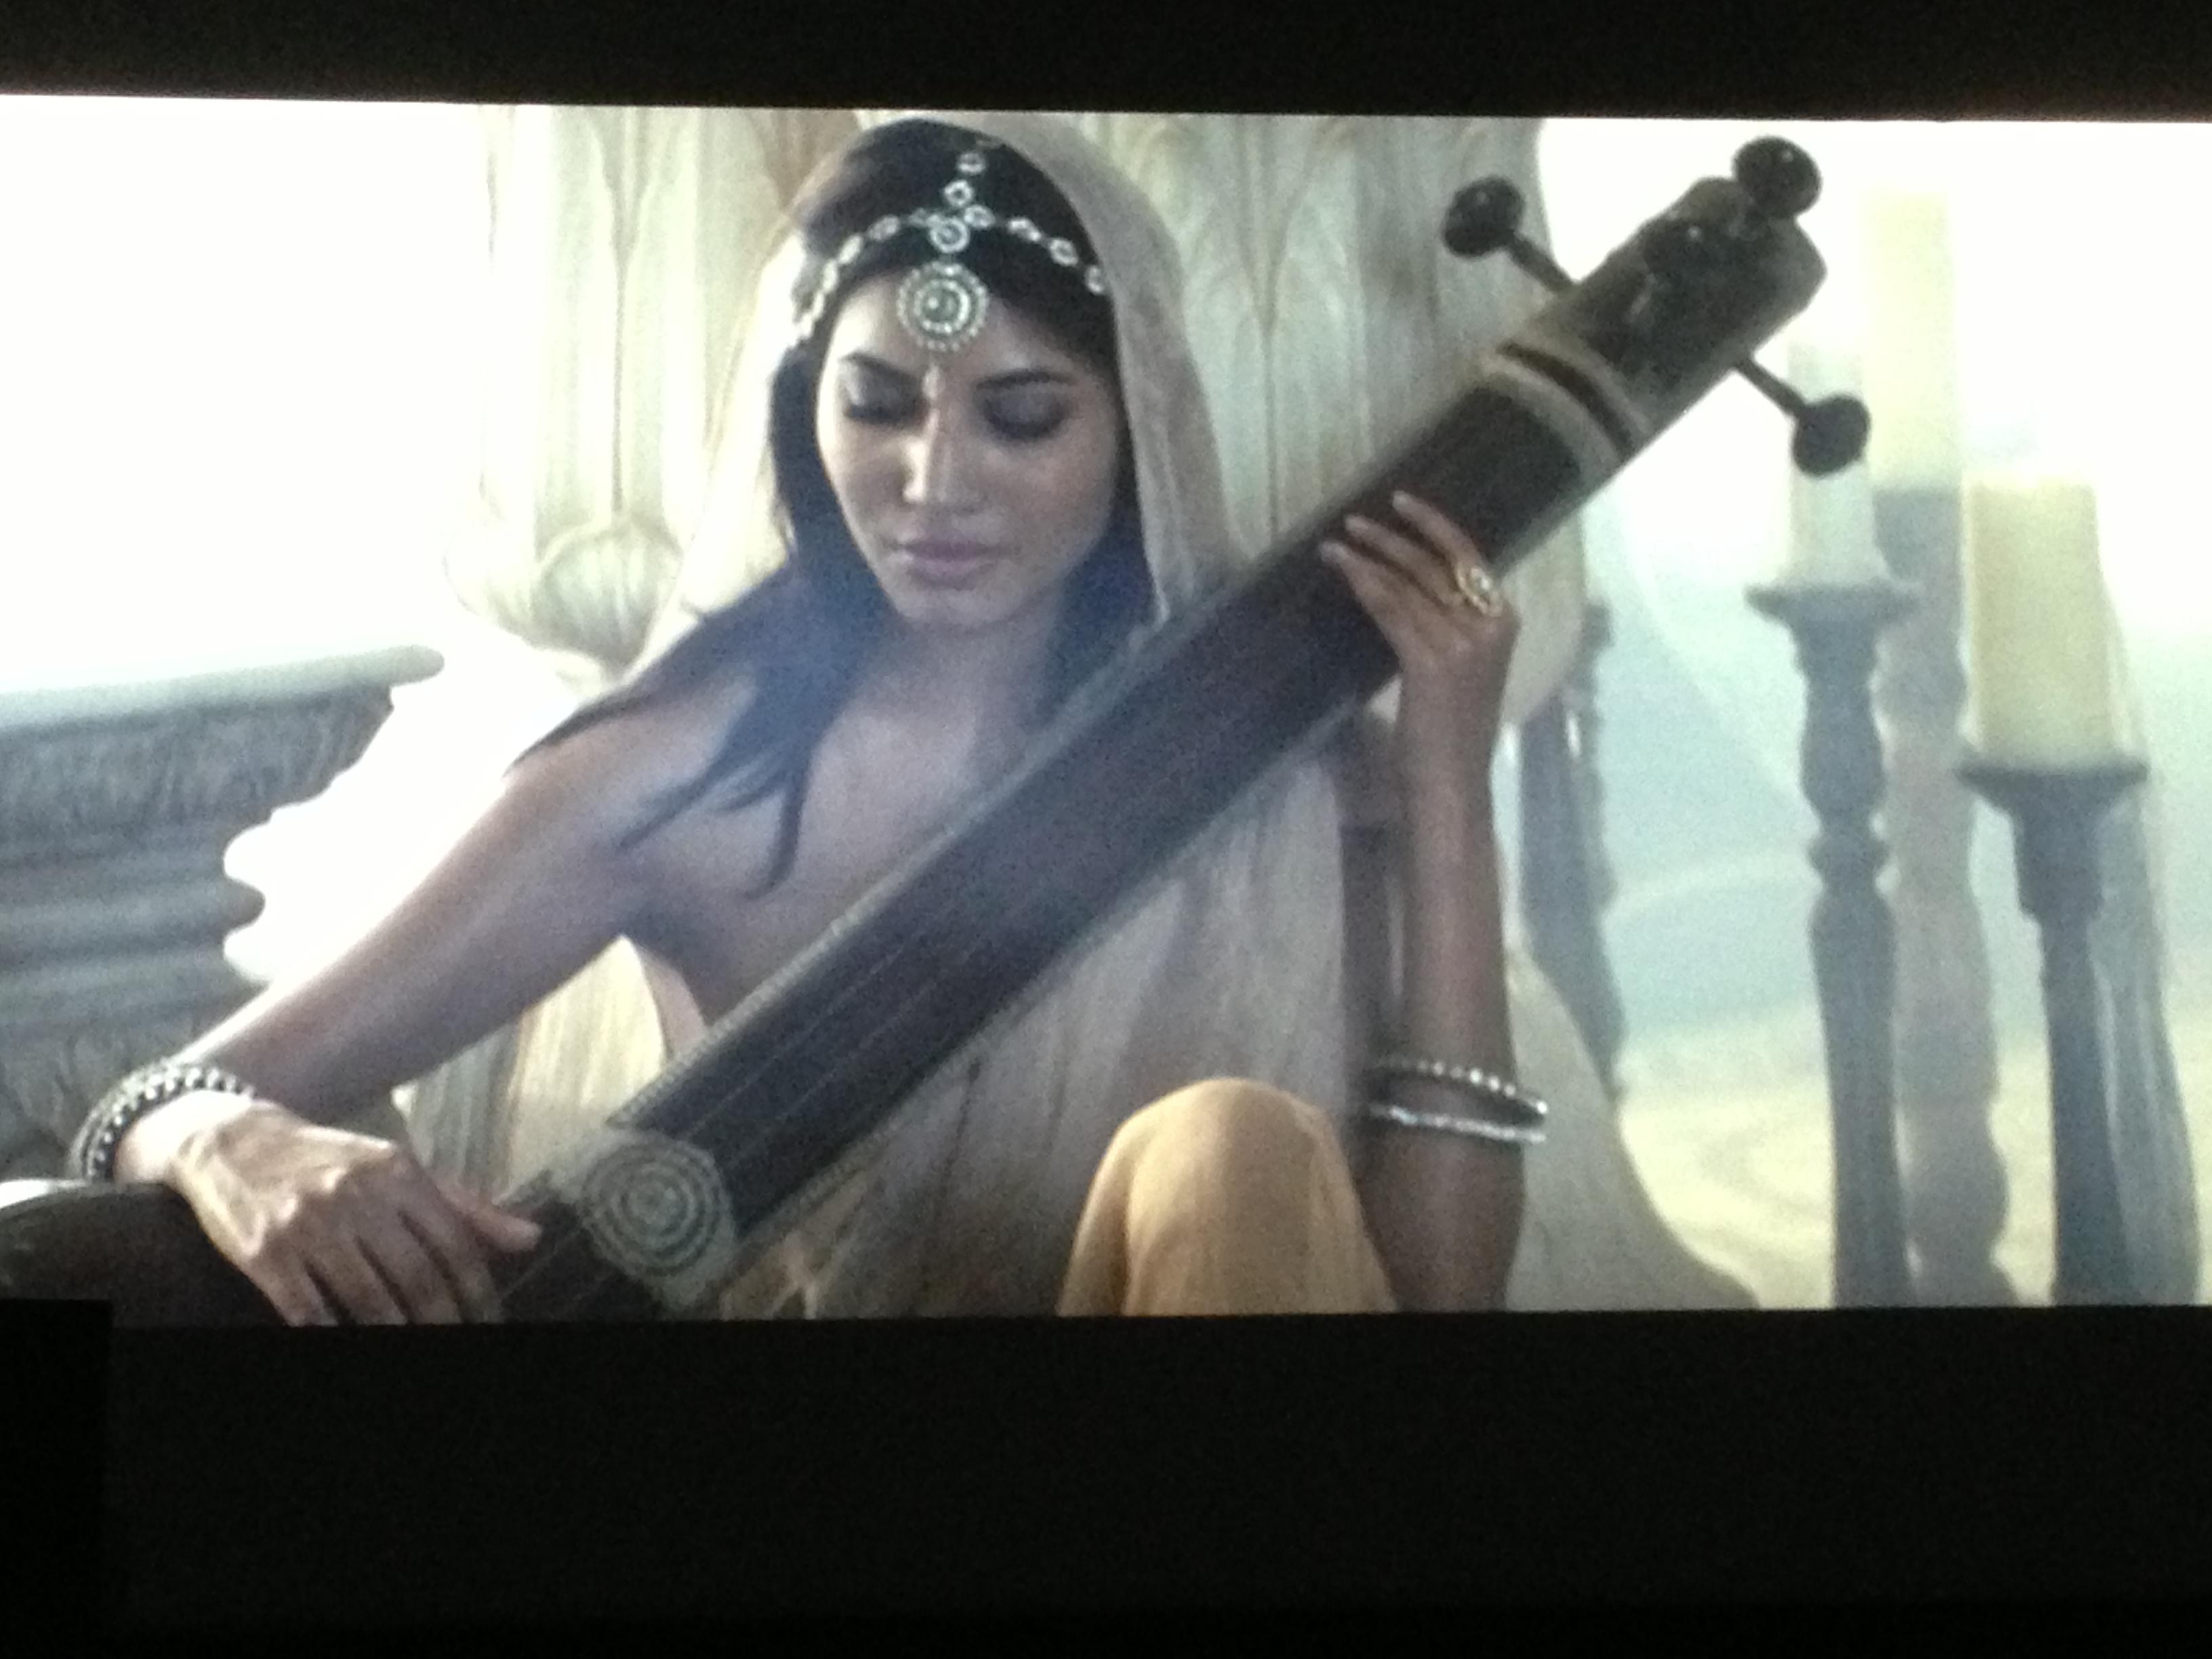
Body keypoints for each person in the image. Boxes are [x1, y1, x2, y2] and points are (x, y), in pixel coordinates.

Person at [71, 112, 1533, 1324]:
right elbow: (158, 1098)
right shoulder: (677, 784)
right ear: (803, 415)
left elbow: (1441, 1293)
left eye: (1023, 416)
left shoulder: (1266, 763)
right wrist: (227, 1134)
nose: (934, 481)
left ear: (1137, 429)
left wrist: (1446, 786)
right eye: (877, 404)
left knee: (1227, 1156)